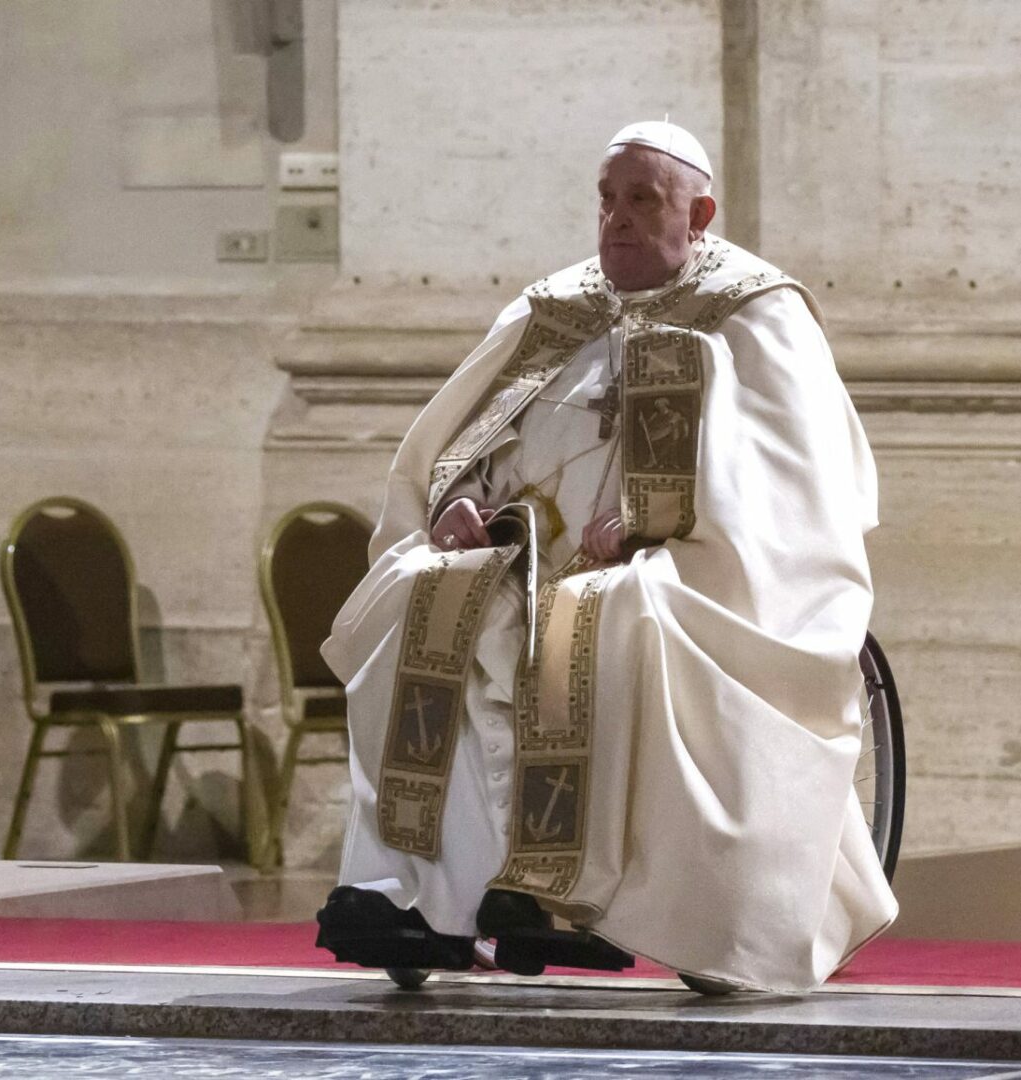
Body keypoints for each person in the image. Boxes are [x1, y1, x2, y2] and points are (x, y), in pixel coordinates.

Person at [315, 121, 897, 993]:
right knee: (418, 596)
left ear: (697, 214)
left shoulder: (752, 309)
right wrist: (456, 500)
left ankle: (558, 889)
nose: (616, 219)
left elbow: (795, 485)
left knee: (613, 618)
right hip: (518, 558)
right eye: (606, 200)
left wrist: (654, 523)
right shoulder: (556, 307)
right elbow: (466, 437)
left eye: (642, 200)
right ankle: (417, 899)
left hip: (684, 563)